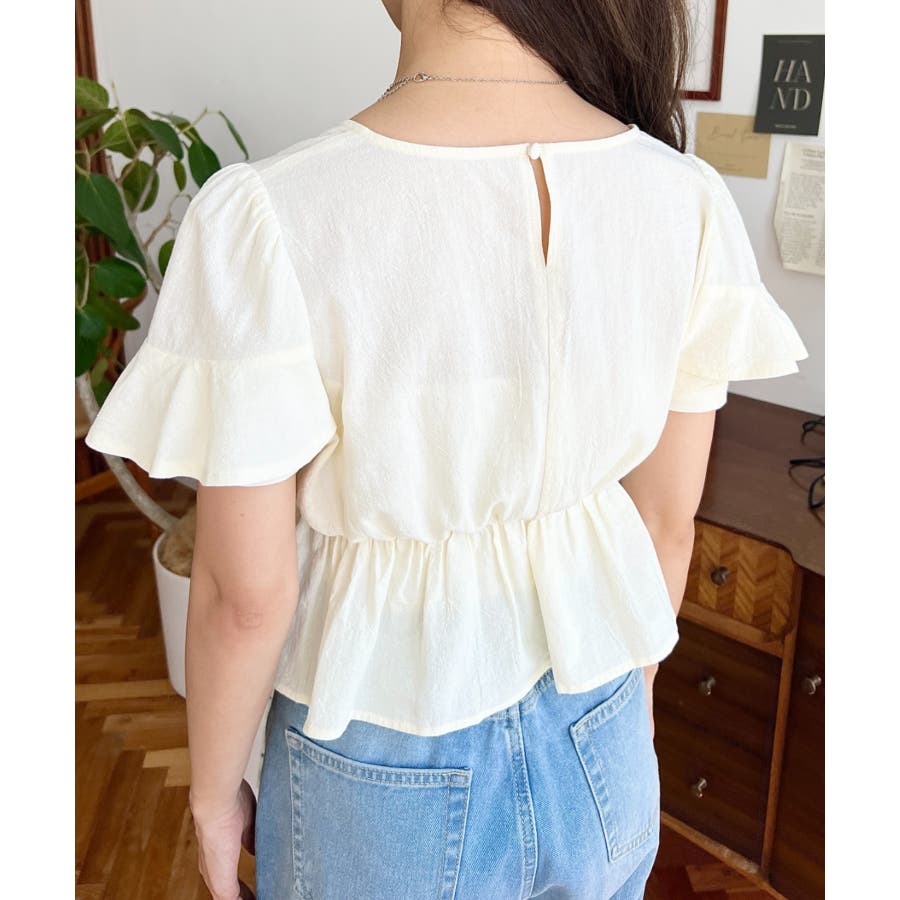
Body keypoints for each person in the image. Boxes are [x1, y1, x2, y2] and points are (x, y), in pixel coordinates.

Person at [84, 1, 809, 897]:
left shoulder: (267, 214)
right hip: (605, 716)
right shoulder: (686, 196)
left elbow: (246, 596)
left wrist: (212, 797)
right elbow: (665, 525)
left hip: (381, 754)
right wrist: (634, 710)